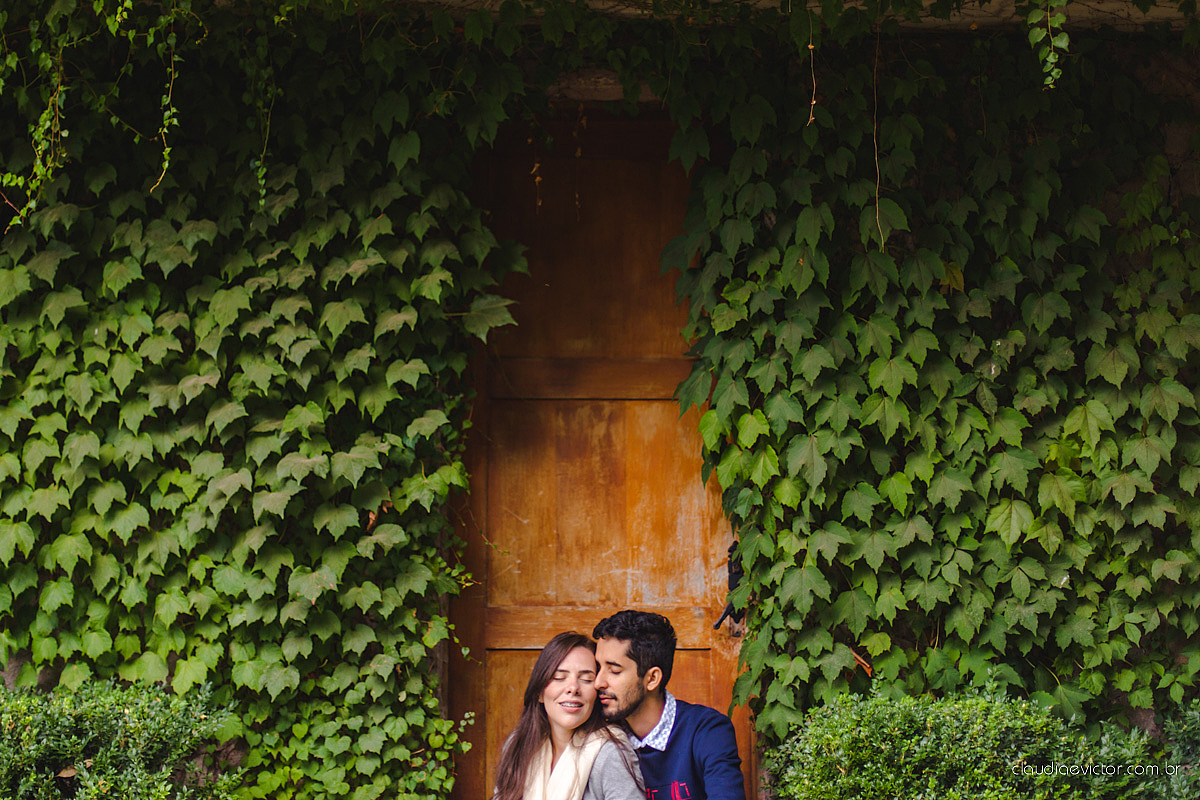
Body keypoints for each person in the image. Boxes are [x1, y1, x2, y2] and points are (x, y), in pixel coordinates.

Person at [593, 610, 746, 800]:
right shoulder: (598, 736)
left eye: (614, 670)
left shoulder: (707, 731)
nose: (598, 682)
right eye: (598, 668)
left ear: (652, 679)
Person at [493, 631, 645, 800]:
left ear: (597, 695)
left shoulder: (609, 753)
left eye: (587, 679)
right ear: (540, 692)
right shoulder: (519, 744)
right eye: (559, 677)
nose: (573, 687)